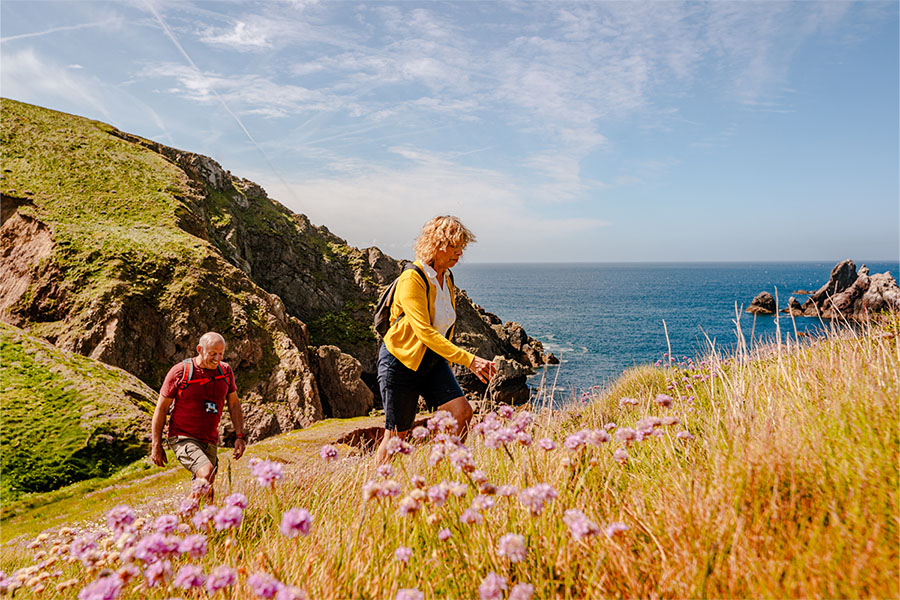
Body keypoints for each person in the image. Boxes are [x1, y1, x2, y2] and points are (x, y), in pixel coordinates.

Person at [375, 215, 496, 464]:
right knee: (397, 436)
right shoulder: (412, 279)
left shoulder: (447, 277)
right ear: (435, 244)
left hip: (433, 361)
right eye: (453, 246)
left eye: (461, 246)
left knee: (461, 413)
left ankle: (443, 470)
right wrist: (469, 361)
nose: (459, 253)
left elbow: (446, 324)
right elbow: (425, 332)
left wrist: (449, 363)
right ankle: (378, 488)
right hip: (400, 362)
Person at [150, 332, 246, 500]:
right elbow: (161, 409)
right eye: (213, 353)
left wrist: (239, 436)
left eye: (221, 353)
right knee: (206, 472)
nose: (217, 358)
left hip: (209, 440)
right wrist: (156, 444)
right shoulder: (180, 372)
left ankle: (196, 523)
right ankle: (182, 515)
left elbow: (234, 404)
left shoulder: (225, 372)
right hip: (182, 437)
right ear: (200, 350)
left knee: (207, 490)